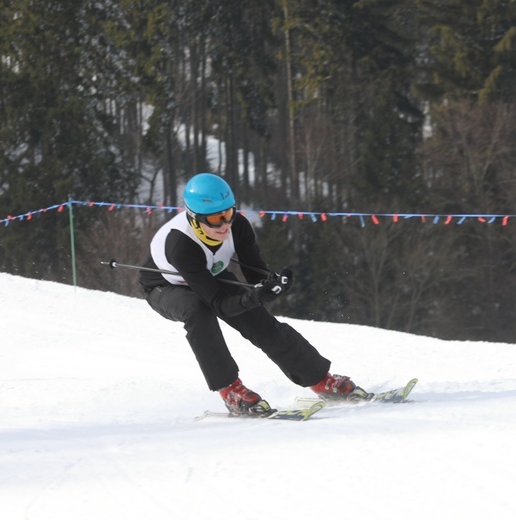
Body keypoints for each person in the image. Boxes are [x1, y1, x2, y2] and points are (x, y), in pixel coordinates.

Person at [139, 173, 369, 415]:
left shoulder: (238, 226)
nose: (225, 224)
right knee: (198, 311)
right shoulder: (181, 245)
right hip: (165, 286)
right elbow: (220, 304)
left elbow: (255, 273)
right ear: (195, 220)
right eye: (217, 219)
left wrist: (272, 284)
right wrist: (255, 296)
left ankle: (321, 380)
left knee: (258, 320)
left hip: (209, 274)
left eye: (229, 214)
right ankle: (230, 390)